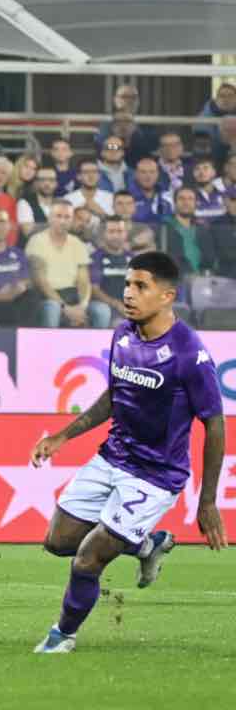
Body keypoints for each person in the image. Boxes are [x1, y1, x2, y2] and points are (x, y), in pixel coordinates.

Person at [31, 251, 227, 653]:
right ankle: (144, 544)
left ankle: (61, 635)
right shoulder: (122, 334)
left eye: (141, 286)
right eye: (127, 284)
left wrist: (206, 501)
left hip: (155, 476)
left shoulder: (190, 354)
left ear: (167, 296)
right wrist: (63, 437)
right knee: (57, 541)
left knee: (87, 560)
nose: (129, 294)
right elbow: (114, 396)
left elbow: (215, 424)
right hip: (112, 457)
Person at [25, 200, 99, 328]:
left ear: (72, 220)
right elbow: (41, 282)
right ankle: (48, 347)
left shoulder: (77, 243)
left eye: (67, 217)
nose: (63, 221)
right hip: (45, 297)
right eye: (58, 216)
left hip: (73, 296)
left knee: (101, 311)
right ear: (50, 218)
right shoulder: (36, 241)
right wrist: (65, 307)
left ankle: (98, 348)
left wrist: (82, 306)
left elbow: (84, 281)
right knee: (53, 308)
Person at [88, 217, 133, 328]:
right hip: (107, 307)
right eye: (112, 232)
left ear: (125, 234)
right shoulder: (95, 258)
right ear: (104, 234)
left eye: (120, 231)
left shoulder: (133, 259)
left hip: (130, 307)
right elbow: (95, 290)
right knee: (120, 325)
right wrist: (117, 305)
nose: (116, 236)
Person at [17, 165, 59, 240]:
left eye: (51, 180)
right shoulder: (24, 202)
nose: (47, 184)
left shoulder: (60, 203)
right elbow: (28, 231)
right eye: (42, 180)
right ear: (35, 183)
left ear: (56, 183)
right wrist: (60, 226)